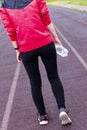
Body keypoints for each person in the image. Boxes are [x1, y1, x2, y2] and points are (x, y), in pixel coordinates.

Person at [0, 0, 72, 126]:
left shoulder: (5, 6)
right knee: (54, 77)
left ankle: (42, 115)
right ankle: (62, 109)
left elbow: (10, 30)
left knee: (35, 83)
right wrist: (55, 37)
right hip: (45, 43)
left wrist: (17, 50)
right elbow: (46, 18)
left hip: (26, 49)